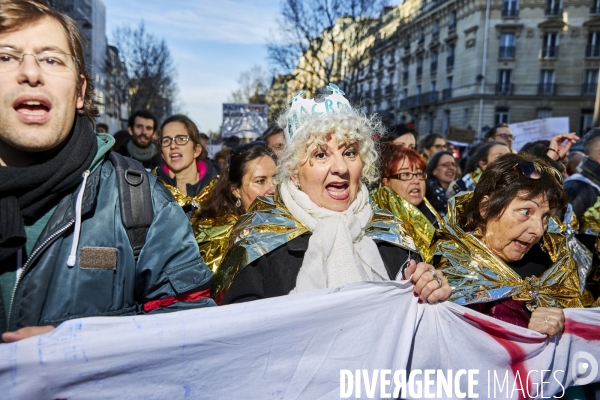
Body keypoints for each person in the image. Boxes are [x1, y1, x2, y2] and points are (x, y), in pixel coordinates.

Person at [0, 1, 214, 343]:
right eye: (6, 56)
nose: (30, 72)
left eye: (51, 59)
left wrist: (91, 351)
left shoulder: (142, 202)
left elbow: (193, 329)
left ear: (80, 92)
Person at [214, 84, 452, 305]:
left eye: (349, 152)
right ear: (294, 172)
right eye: (320, 155)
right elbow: (238, 335)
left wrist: (430, 286)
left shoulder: (391, 233)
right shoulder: (259, 242)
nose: (340, 167)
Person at [432, 153, 592, 335]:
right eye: (525, 211)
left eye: (545, 216)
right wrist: (522, 334)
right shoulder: (446, 274)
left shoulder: (554, 268)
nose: (538, 230)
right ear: (486, 208)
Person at [192, 142, 277, 273]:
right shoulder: (218, 239)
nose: (273, 188)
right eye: (260, 181)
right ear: (236, 190)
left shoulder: (294, 218)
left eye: (276, 178)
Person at [372, 145, 441, 262]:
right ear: (386, 182)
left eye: (419, 174)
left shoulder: (434, 217)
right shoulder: (379, 225)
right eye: (405, 175)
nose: (415, 181)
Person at [154, 114, 219, 219]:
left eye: (181, 139)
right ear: (162, 154)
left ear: (196, 150)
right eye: (166, 140)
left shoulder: (219, 190)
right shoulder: (151, 189)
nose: (173, 145)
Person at [425, 151, 457, 216]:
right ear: (434, 170)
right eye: (445, 165)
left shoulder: (460, 190)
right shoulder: (426, 193)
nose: (451, 168)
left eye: (453, 165)